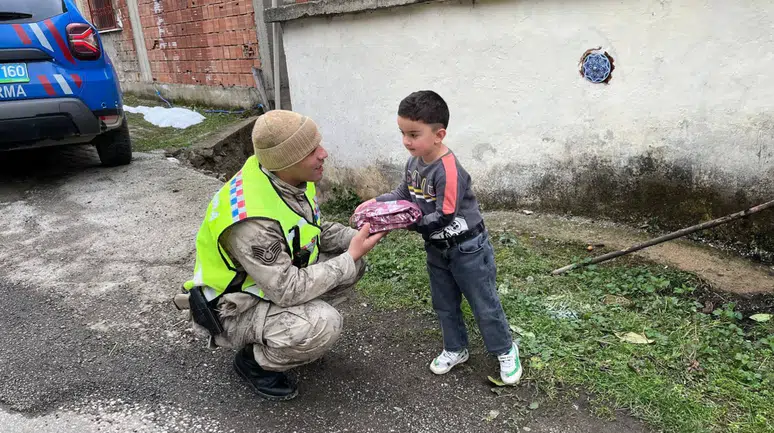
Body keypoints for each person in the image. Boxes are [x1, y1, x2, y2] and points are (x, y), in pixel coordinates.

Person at [176, 110, 386, 401]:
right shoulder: (251, 221)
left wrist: (359, 236)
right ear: (288, 159)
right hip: (232, 306)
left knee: (354, 263)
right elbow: (288, 289)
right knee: (323, 323)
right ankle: (254, 361)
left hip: (268, 285)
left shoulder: (286, 177)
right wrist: (347, 258)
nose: (324, 154)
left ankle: (294, 338)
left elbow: (310, 229)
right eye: (313, 151)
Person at [356, 90, 522, 385]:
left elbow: (445, 215)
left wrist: (404, 223)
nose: (406, 141)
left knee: (484, 303)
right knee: (444, 302)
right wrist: (377, 203)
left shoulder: (448, 171)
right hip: (437, 248)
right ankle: (456, 348)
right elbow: (404, 194)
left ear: (439, 134)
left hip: (467, 248)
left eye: (413, 134)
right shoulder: (414, 162)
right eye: (402, 133)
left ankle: (506, 350)